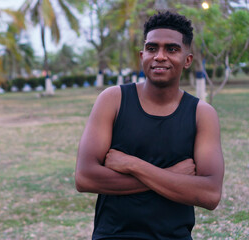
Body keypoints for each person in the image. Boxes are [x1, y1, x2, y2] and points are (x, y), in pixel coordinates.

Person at [75, 11, 224, 240]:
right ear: (142, 55)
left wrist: (132, 164)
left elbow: (210, 194)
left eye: (171, 49)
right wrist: (172, 176)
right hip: (113, 235)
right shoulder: (113, 100)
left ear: (187, 60)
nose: (160, 56)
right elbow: (85, 178)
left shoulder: (201, 114)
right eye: (152, 48)